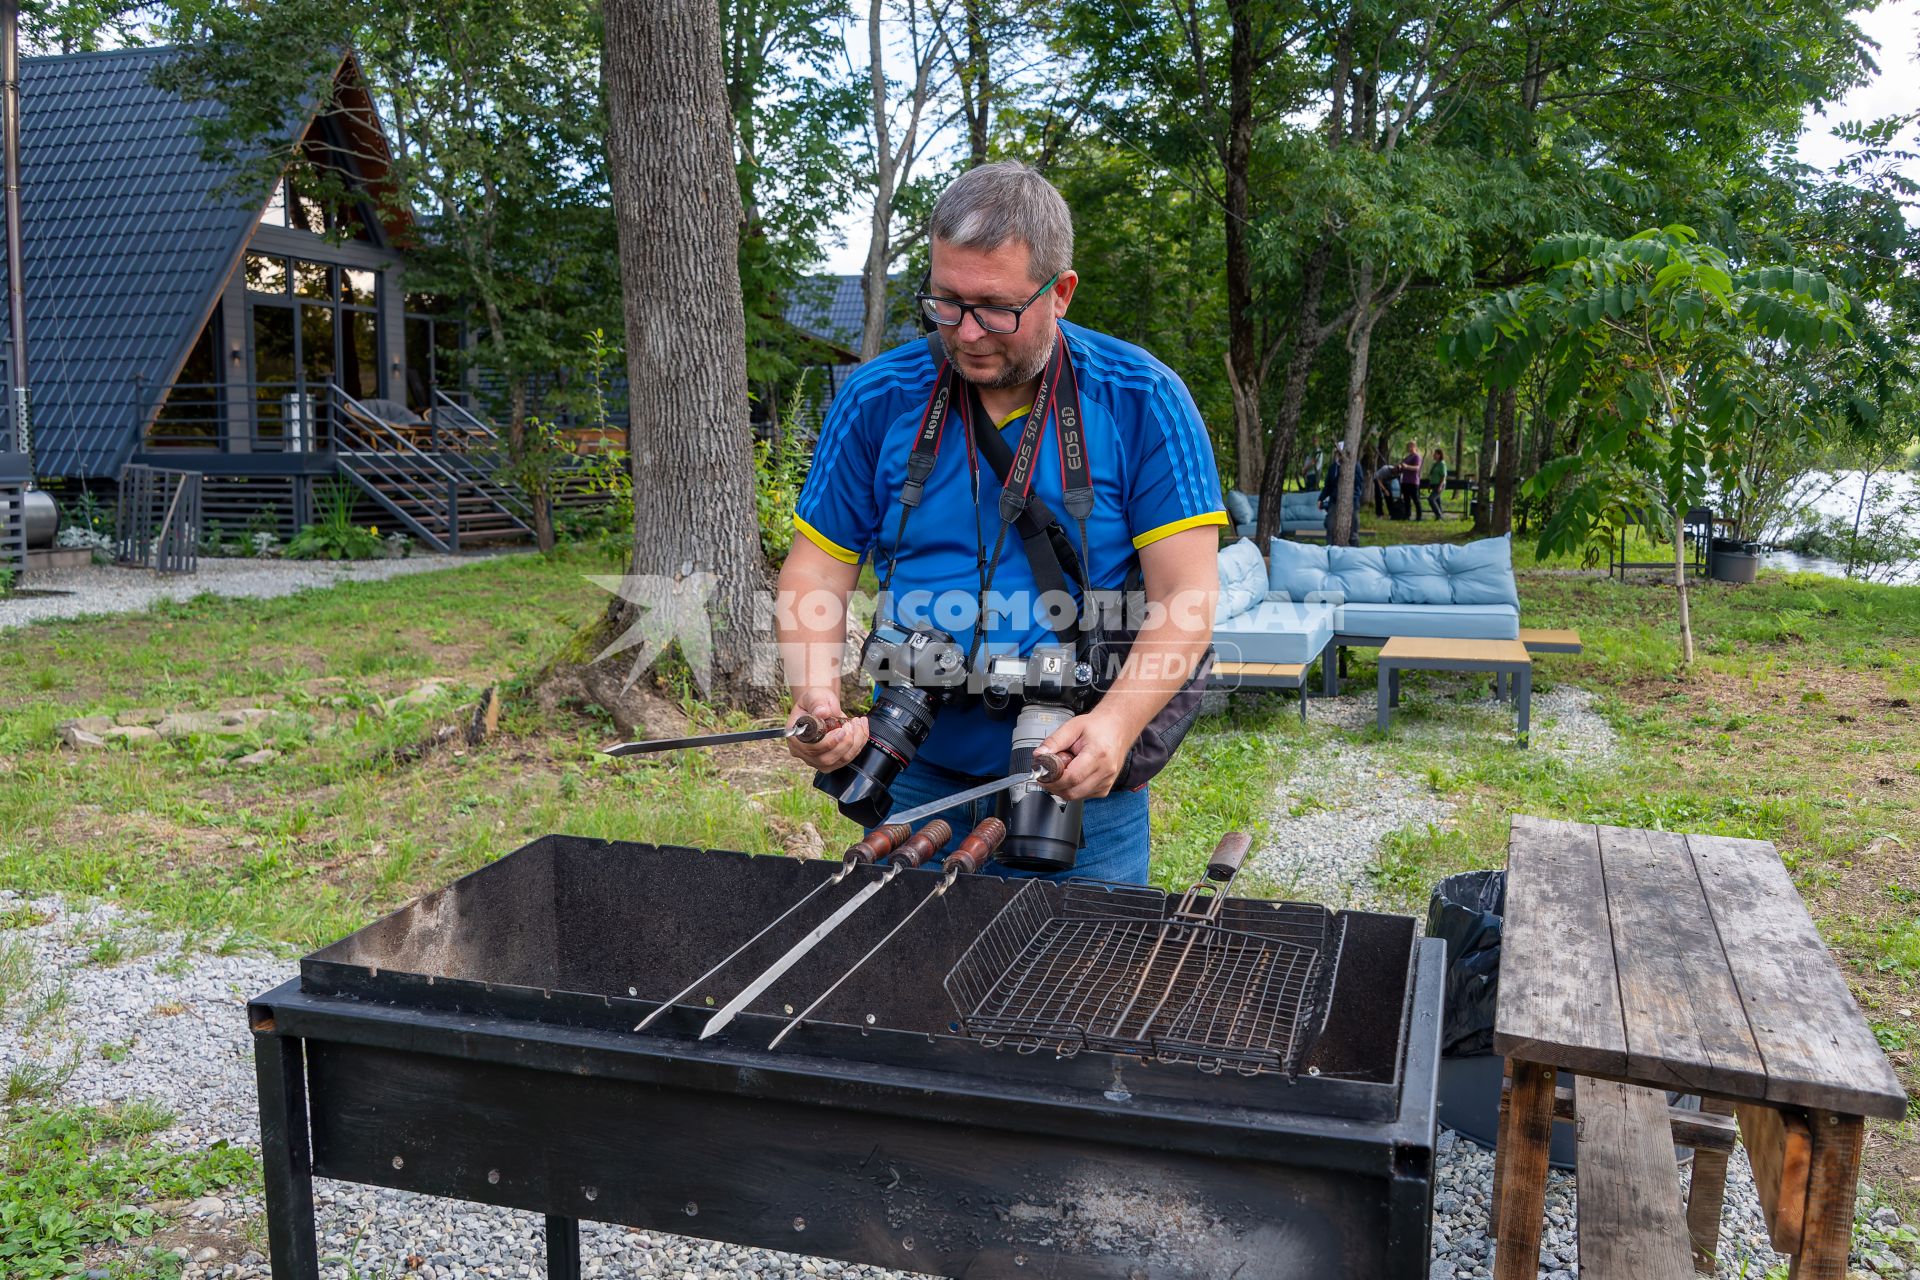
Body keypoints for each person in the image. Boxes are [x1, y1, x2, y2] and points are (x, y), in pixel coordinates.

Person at [776, 161, 1225, 886]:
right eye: (945, 303)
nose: (968, 333)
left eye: (995, 308)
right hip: (918, 774)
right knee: (910, 991)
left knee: (1077, 989)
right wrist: (815, 691)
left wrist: (1115, 725)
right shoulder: (877, 398)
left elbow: (1189, 600)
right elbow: (816, 570)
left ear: (1062, 292)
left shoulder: (1143, 398)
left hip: (1078, 775)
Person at [1319, 441, 1365, 544]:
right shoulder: (1333, 467)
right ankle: (1329, 549)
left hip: (1352, 500)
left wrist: (1346, 469)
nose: (1338, 455)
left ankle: (1355, 552)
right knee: (1330, 525)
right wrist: (1320, 498)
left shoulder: (1355, 465)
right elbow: (1328, 486)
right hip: (1335, 500)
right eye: (1337, 452)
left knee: (1353, 529)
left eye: (1340, 452)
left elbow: (1359, 482)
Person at [1398, 440, 1424, 521]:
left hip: (1413, 481)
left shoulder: (1417, 456)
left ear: (1415, 447)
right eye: (1408, 446)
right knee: (1406, 499)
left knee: (1415, 499)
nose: (1409, 448)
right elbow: (1403, 467)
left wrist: (1407, 466)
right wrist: (1400, 467)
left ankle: (1419, 517)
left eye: (1411, 446)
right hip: (1405, 481)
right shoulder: (1407, 457)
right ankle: (1407, 516)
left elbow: (1417, 468)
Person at [1424, 446, 1449, 520]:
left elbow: (1444, 476)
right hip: (1434, 485)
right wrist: (1429, 485)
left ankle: (1439, 515)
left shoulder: (1442, 464)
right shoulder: (1434, 464)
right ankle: (1440, 517)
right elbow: (1432, 475)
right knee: (1437, 501)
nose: (1434, 455)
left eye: (1435, 454)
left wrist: (1440, 486)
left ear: (1439, 455)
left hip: (1440, 485)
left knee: (1431, 499)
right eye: (1433, 454)